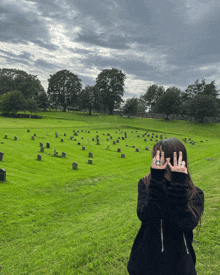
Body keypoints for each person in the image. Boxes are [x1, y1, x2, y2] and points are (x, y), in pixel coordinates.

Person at [127, 137, 204, 275]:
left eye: (161, 156)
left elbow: (186, 223)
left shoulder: (194, 193)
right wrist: (156, 180)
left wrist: (178, 184)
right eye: (155, 156)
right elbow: (146, 216)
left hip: (179, 261)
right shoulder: (146, 183)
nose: (156, 159)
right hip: (147, 258)